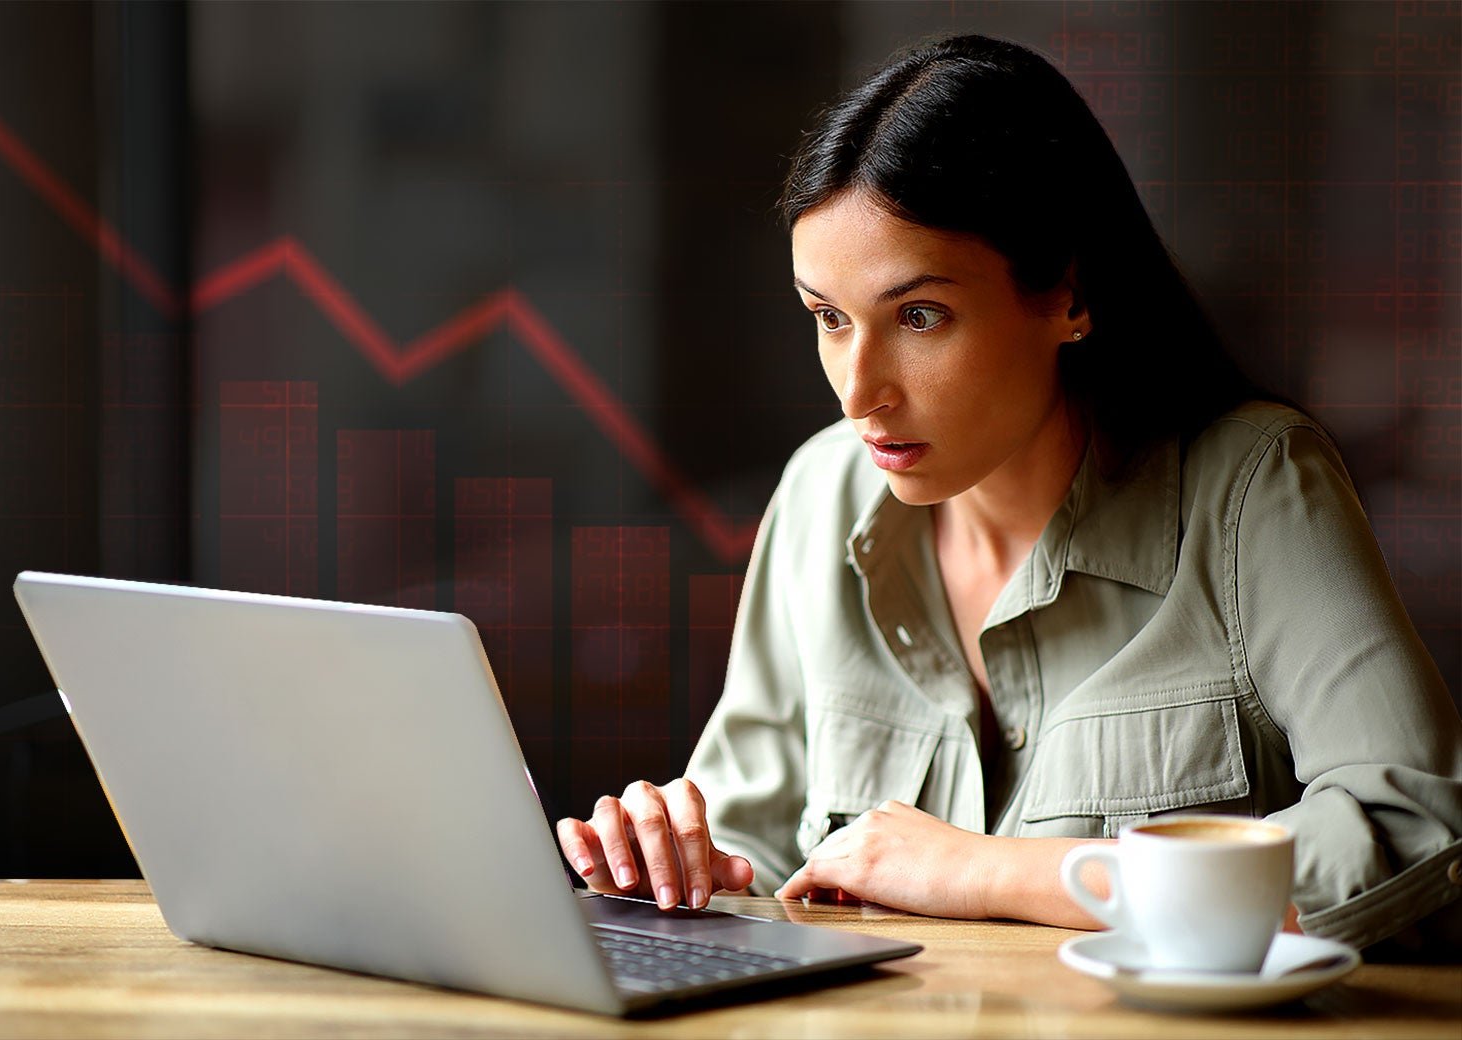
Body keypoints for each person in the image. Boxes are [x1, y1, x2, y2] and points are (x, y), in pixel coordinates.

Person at [556, 33, 1462, 952]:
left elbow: (1411, 828)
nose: (858, 390)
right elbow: (754, 849)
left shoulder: (1252, 489)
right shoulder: (820, 496)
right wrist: (677, 862)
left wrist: (985, 870)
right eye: (829, 318)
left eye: (919, 316)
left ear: (1068, 293)